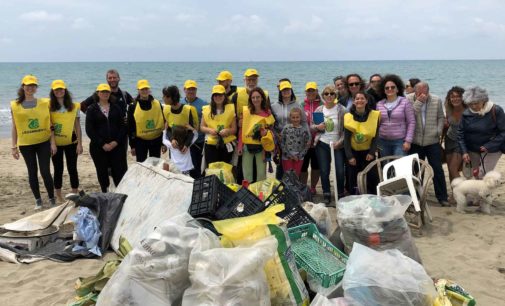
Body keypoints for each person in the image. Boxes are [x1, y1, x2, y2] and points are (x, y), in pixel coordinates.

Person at [11, 75, 56, 209]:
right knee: (32, 172)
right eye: (27, 85)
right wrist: (13, 146)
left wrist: (53, 142)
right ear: (23, 86)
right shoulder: (15, 105)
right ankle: (38, 200)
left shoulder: (45, 102)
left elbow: (51, 124)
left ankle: (52, 198)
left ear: (36, 88)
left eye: (33, 85)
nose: (30, 88)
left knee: (45, 171)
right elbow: (14, 127)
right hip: (26, 144)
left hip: (43, 142)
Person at [407, 82, 448, 206]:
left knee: (437, 169)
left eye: (424, 93)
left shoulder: (436, 100)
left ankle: (442, 197)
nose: (422, 95)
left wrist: (438, 130)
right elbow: (409, 116)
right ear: (414, 91)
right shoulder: (408, 99)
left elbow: (441, 117)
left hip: (432, 140)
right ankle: (417, 196)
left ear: (428, 91)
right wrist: (418, 102)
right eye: (419, 93)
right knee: (416, 169)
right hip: (415, 140)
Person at [85, 83, 128, 192]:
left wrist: (116, 142)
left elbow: (122, 127)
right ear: (97, 93)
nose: (105, 93)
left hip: (116, 146)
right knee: (102, 172)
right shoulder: (91, 109)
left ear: (110, 93)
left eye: (107, 91)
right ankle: (105, 192)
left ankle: (119, 192)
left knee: (118, 172)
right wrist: (102, 144)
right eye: (102, 91)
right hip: (98, 147)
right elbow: (89, 130)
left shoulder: (116, 107)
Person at [458, 86, 505, 178]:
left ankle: (485, 192)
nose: (473, 106)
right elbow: (460, 134)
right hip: (472, 150)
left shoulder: (496, 110)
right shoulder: (466, 114)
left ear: (484, 100)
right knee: (475, 175)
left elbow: (503, 132)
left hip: (492, 149)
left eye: (476, 103)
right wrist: (464, 152)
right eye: (470, 104)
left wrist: (489, 146)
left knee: (483, 175)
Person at [49, 80, 82, 203]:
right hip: (55, 144)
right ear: (53, 91)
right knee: (58, 169)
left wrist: (80, 143)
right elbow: (49, 125)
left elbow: (77, 125)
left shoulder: (74, 106)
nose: (59, 91)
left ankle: (75, 193)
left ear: (65, 90)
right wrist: (52, 143)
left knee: (72, 168)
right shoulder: (48, 106)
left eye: (61, 89)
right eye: (56, 89)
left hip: (71, 142)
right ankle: (58, 196)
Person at [312, 85, 346, 203]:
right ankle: (326, 193)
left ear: (335, 95)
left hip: (337, 145)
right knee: (324, 170)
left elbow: (346, 130)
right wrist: (318, 126)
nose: (329, 96)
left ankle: (340, 193)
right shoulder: (319, 110)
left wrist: (340, 142)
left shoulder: (342, 110)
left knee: (340, 170)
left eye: (332, 93)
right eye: (326, 94)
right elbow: (312, 126)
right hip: (322, 143)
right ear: (323, 96)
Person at [344, 91, 380, 195]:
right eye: (357, 99)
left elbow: (376, 136)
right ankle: (354, 197)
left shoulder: (374, 115)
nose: (360, 100)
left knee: (372, 177)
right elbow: (346, 139)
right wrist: (350, 156)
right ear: (354, 102)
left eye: (362, 98)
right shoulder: (348, 117)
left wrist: (372, 152)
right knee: (353, 178)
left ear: (366, 101)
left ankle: (373, 197)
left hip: (368, 152)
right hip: (354, 152)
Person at [272, 80, 308, 179]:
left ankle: (293, 190)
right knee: (280, 166)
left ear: (291, 90)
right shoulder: (274, 106)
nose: (286, 91)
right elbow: (271, 124)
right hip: (280, 139)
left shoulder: (297, 105)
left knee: (295, 167)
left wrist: (308, 137)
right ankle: (280, 189)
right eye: (283, 90)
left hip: (295, 141)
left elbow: (304, 122)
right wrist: (275, 135)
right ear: (280, 91)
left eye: (288, 89)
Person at [238, 87, 275, 183]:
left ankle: (260, 196)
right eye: (253, 97)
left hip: (261, 147)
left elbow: (271, 129)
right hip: (247, 146)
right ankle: (248, 194)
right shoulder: (246, 112)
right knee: (247, 174)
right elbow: (242, 130)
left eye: (258, 97)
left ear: (262, 98)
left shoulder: (267, 112)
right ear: (250, 99)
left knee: (261, 174)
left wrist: (266, 133)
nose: (255, 99)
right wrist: (240, 146)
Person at [376, 74, 415, 157]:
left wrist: (408, 141)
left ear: (397, 89)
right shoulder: (379, 104)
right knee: (386, 166)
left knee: (399, 167)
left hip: (400, 142)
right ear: (384, 90)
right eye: (387, 88)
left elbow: (411, 122)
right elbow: (377, 124)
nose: (390, 89)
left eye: (393, 87)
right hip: (383, 141)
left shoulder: (405, 102)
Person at [162, 85, 199, 168]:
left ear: (171, 97)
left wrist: (186, 145)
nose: (163, 98)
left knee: (193, 170)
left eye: (164, 96)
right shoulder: (166, 109)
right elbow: (168, 129)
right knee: (175, 168)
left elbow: (192, 131)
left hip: (188, 145)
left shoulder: (188, 110)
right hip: (174, 145)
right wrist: (172, 140)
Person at [127, 80, 164, 162]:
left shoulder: (157, 103)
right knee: (141, 164)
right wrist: (132, 145)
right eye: (142, 89)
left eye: (146, 89)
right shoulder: (133, 106)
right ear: (138, 90)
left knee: (156, 164)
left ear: (149, 90)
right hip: (140, 141)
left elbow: (163, 121)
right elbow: (130, 127)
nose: (144, 91)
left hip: (156, 140)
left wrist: (163, 143)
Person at [200, 85, 237, 165]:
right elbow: (202, 127)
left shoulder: (230, 109)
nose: (218, 97)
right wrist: (210, 130)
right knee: (212, 167)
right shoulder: (207, 110)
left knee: (226, 168)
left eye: (220, 95)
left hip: (226, 143)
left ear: (224, 96)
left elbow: (234, 129)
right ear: (212, 97)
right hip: (211, 144)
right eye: (215, 95)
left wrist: (227, 131)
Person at [182, 80, 207, 178]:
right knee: (186, 167)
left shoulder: (203, 104)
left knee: (198, 167)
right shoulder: (180, 103)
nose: (191, 91)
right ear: (184, 90)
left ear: (196, 90)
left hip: (198, 141)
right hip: (184, 141)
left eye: (193, 89)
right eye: (189, 89)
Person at [301, 82, 322, 194]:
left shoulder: (322, 105)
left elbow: (323, 124)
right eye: (308, 91)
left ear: (316, 91)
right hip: (304, 143)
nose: (311, 93)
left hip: (318, 142)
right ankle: (304, 188)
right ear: (305, 92)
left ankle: (313, 187)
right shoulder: (301, 105)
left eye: (313, 90)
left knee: (316, 166)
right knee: (303, 167)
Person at [443, 86, 466, 186]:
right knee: (450, 169)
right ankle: (455, 194)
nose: (455, 99)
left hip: (461, 142)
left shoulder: (468, 110)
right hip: (449, 139)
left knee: (453, 168)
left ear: (463, 98)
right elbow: (446, 123)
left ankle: (464, 192)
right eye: (452, 97)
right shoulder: (448, 109)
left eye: (458, 96)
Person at [281, 108, 310, 177]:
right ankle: (288, 188)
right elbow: (282, 142)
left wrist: (299, 156)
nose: (295, 119)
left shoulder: (304, 130)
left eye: (297, 117)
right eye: (293, 117)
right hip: (287, 157)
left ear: (300, 117)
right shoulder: (286, 128)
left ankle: (295, 188)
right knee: (288, 176)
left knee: (296, 176)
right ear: (290, 118)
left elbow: (307, 145)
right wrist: (289, 155)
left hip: (299, 157)